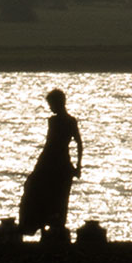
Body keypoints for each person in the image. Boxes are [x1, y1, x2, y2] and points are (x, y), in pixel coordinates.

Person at [18, 88, 84, 242]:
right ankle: (47, 230)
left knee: (50, 195)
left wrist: (78, 165)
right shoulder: (63, 121)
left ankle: (52, 230)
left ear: (58, 103)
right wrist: (77, 166)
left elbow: (58, 144)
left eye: (51, 104)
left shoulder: (59, 121)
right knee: (49, 195)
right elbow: (79, 144)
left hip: (53, 162)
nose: (50, 108)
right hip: (56, 162)